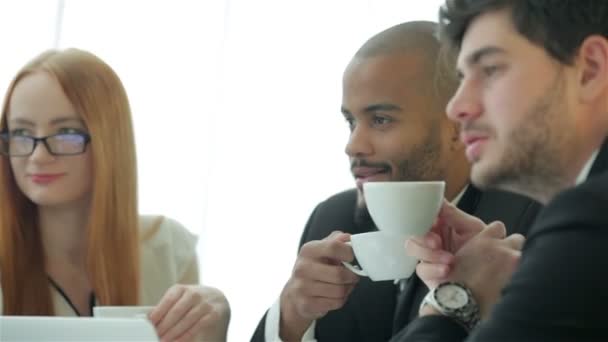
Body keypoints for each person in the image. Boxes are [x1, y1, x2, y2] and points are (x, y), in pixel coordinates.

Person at [250, 21, 539, 342]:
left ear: (455, 127)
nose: (353, 145)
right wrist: (291, 317)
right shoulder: (332, 220)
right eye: (351, 121)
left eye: (380, 120)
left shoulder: (529, 224)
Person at [392, 1, 608, 341]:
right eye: (462, 78)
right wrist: (523, 281)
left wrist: (455, 301)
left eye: (491, 69)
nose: (456, 106)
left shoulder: (592, 215)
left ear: (590, 70)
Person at [0, 49, 230, 342]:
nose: (38, 155)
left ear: (110, 140)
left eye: (67, 132)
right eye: (21, 133)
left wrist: (216, 331)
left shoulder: (167, 249)